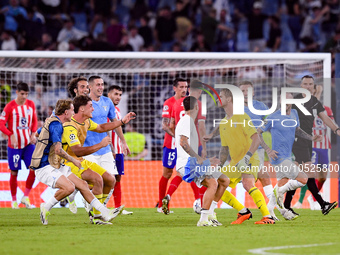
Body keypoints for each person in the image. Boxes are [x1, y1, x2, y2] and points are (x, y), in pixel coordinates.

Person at [31, 99, 121, 225]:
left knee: (83, 186)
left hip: (56, 163)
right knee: (69, 187)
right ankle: (46, 207)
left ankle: (103, 212)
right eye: (72, 110)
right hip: (45, 166)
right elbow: (58, 149)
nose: (74, 113)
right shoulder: (57, 125)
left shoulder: (55, 123)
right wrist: (73, 160)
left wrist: (41, 141)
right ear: (66, 112)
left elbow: (36, 134)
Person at [62, 95, 136, 224]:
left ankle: (97, 213)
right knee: (97, 179)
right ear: (82, 109)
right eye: (91, 106)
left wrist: (122, 122)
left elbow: (101, 128)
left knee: (110, 179)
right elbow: (77, 150)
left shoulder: (86, 122)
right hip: (68, 162)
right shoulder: (70, 126)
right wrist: (101, 145)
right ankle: (97, 214)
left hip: (79, 161)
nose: (93, 109)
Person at [257, 93, 320, 220]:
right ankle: (280, 196)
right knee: (303, 179)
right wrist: (268, 150)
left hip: (288, 156)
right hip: (278, 157)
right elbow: (258, 133)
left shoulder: (294, 114)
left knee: (282, 183)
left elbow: (297, 130)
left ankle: (270, 208)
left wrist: (311, 137)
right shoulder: (273, 117)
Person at [217, 88, 275, 224]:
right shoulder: (223, 123)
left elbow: (256, 139)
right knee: (217, 183)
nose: (218, 99)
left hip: (250, 157)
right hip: (235, 162)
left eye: (221, 97)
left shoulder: (242, 116)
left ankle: (268, 217)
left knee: (247, 183)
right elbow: (224, 149)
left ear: (229, 99)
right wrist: (220, 165)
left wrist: (247, 157)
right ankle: (243, 212)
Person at [284, 75, 339, 216]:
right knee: (309, 174)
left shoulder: (314, 101)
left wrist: (336, 129)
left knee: (301, 175)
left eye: (310, 84)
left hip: (308, 141)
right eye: (305, 83)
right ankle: (322, 204)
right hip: (296, 140)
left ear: (313, 87)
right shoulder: (294, 100)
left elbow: (325, 118)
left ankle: (286, 205)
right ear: (301, 85)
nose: (308, 86)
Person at [174, 96, 229, 226]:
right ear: (196, 107)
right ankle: (203, 220)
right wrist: (199, 159)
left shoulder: (188, 122)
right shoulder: (186, 121)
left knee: (224, 180)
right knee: (212, 183)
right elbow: (183, 143)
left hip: (192, 162)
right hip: (187, 164)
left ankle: (210, 213)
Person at [84, 76, 130, 209]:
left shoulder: (107, 102)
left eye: (102, 84)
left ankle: (99, 208)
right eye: (98, 85)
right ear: (90, 87)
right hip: (89, 148)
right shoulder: (84, 103)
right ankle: (95, 208)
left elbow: (114, 123)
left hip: (105, 149)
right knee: (95, 181)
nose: (100, 87)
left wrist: (123, 141)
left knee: (111, 180)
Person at [162, 79, 207, 215]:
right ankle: (200, 203)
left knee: (180, 174)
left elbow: (170, 126)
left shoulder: (176, 104)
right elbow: (201, 127)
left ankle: (168, 196)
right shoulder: (198, 106)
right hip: (191, 147)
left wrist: (178, 136)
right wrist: (201, 150)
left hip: (179, 148)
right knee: (209, 180)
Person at [0, 82, 37, 209]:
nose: (24, 96)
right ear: (17, 92)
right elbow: (1, 124)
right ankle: (14, 201)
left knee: (34, 168)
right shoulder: (9, 107)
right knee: (14, 172)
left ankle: (25, 197)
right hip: (14, 146)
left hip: (28, 145)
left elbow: (34, 121)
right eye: (22, 94)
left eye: (26, 94)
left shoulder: (31, 104)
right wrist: (11, 134)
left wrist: (33, 133)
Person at [157, 78, 188, 213]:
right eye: (181, 87)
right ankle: (161, 205)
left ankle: (199, 202)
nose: (184, 89)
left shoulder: (189, 102)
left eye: (185, 87)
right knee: (167, 173)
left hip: (186, 144)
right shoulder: (169, 103)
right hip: (172, 144)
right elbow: (165, 125)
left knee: (188, 170)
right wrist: (177, 136)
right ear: (174, 88)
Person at [108, 85, 133, 215]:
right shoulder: (105, 109)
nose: (118, 97)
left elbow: (118, 128)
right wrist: (109, 148)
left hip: (117, 150)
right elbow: (105, 129)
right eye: (115, 94)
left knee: (117, 179)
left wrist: (123, 143)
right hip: (109, 151)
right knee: (106, 179)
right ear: (109, 94)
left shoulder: (116, 110)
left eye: (120, 95)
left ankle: (118, 207)